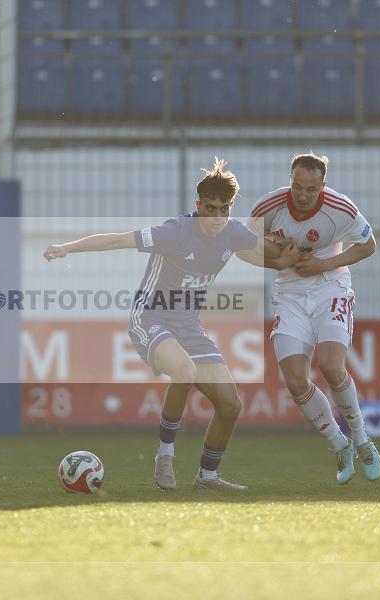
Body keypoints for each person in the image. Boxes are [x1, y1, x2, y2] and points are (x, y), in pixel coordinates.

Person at [44, 159, 295, 491]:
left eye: (224, 209)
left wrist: (293, 253)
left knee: (231, 405)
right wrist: (67, 248)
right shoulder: (175, 232)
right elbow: (117, 240)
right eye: (210, 209)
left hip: (189, 326)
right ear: (198, 206)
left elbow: (271, 250)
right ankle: (165, 455)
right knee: (185, 371)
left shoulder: (232, 231)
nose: (217, 217)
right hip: (150, 316)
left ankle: (207, 476)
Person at [251, 153, 380, 485]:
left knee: (330, 365)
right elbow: (244, 247)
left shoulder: (341, 209)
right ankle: (340, 445)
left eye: (311, 188)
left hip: (330, 286)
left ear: (323, 185)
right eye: (297, 186)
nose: (303, 194)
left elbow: (368, 245)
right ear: (290, 180)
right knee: (295, 380)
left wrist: (323, 264)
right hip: (290, 293)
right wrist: (279, 260)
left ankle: (362, 438)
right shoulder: (269, 206)